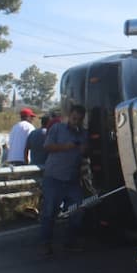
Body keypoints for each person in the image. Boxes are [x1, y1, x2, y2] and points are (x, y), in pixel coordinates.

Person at [39, 105, 88, 255]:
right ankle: (45, 243)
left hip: (72, 179)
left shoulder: (83, 134)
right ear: (69, 116)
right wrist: (66, 146)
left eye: (79, 120)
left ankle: (70, 242)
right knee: (49, 212)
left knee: (77, 210)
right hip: (54, 178)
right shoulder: (57, 129)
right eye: (74, 118)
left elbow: (85, 154)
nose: (76, 122)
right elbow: (47, 147)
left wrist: (84, 150)